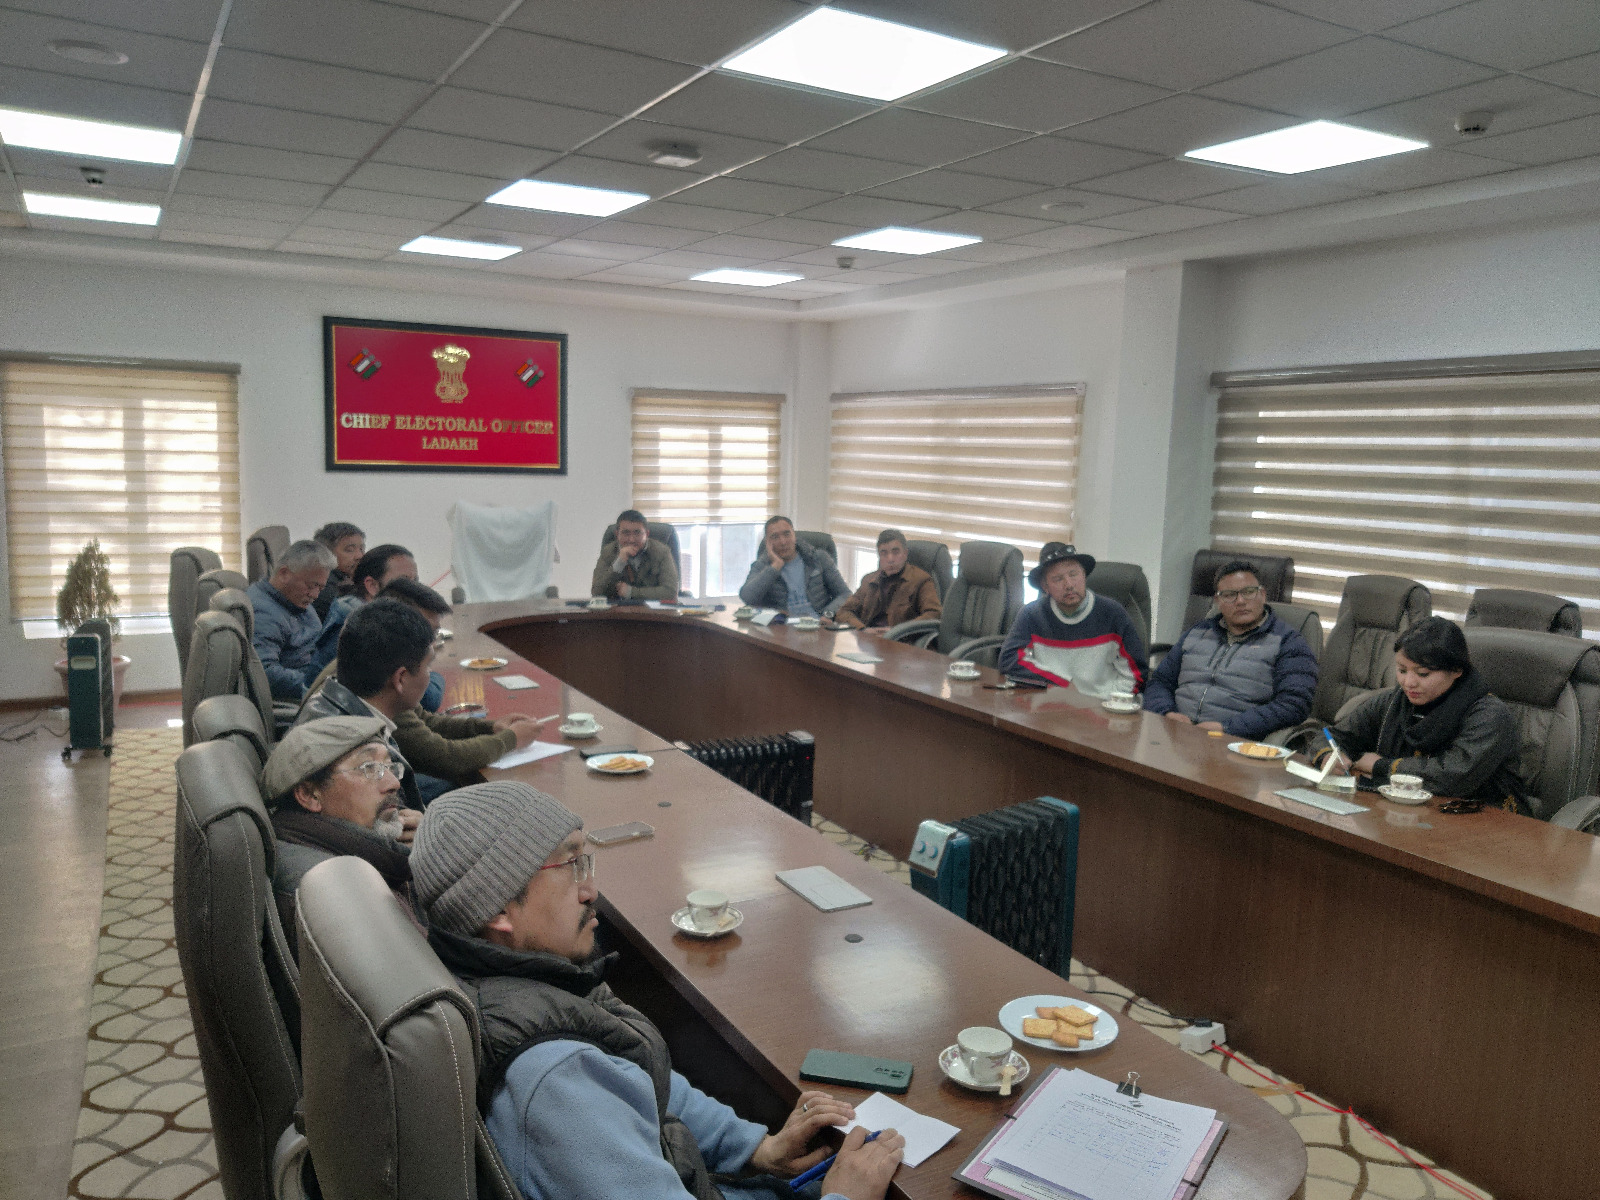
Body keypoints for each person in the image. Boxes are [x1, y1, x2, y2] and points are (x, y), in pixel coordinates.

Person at [409, 782, 906, 1200]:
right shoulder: (555, 1082)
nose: (591, 890)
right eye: (570, 867)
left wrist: (756, 1149)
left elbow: (641, 1076)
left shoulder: (532, 983)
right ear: (496, 907)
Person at [1307, 616, 1527, 811]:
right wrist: (1329, 756)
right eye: (1402, 670)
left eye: (1423, 673)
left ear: (1457, 671)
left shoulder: (1488, 715)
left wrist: (1380, 766)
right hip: (1408, 812)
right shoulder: (1393, 702)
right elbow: (1331, 736)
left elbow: (1453, 775)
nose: (1408, 683)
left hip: (1483, 819)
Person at [259, 714, 422, 956]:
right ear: (310, 794)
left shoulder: (322, 843)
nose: (393, 783)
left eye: (389, 767)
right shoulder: (336, 893)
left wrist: (431, 845)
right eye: (370, 768)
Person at [377, 578, 544, 783]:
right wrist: (511, 739)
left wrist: (491, 728)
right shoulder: (382, 679)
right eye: (430, 632)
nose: (433, 642)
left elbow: (426, 721)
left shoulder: (384, 660)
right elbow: (447, 756)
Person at [297, 598, 450, 807]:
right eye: (427, 667)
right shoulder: (357, 756)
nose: (429, 676)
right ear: (401, 679)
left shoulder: (335, 698)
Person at [1142, 560, 1318, 738]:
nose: (1240, 601)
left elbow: (1294, 704)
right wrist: (1166, 713)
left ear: (1263, 595)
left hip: (1235, 742)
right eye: (1229, 595)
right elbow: (1160, 682)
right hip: (1174, 735)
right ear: (1218, 601)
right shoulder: (1197, 633)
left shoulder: (1288, 642)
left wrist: (1228, 728)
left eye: (1248, 592)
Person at [999, 542, 1146, 697]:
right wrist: (1060, 684)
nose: (1069, 585)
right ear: (1045, 586)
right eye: (1058, 579)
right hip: (1052, 706)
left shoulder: (1113, 613)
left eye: (1074, 574)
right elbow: (1009, 661)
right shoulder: (1031, 614)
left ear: (1084, 575)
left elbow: (1137, 676)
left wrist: (1109, 704)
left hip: (1103, 707)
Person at [248, 539, 334, 701]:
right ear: (284, 573)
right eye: (311, 586)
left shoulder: (293, 598)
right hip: (299, 700)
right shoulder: (262, 613)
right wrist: (321, 684)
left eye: (320, 588)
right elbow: (265, 674)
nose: (315, 595)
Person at [834, 529, 941, 635]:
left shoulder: (921, 580)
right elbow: (844, 612)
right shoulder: (869, 580)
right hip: (870, 641)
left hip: (903, 642)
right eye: (884, 553)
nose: (890, 559)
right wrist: (862, 629)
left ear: (905, 554)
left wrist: (898, 631)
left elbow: (934, 614)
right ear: (879, 557)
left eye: (895, 552)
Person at [739, 517, 850, 618]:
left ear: (794, 536)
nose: (783, 542)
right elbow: (747, 597)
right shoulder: (763, 565)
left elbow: (845, 594)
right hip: (782, 629)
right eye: (775, 537)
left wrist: (828, 614)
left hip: (818, 625)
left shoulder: (818, 558)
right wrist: (775, 567)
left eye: (787, 534)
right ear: (767, 542)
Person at [592, 509, 680, 602]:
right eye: (626, 533)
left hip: (652, 613)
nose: (631, 540)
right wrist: (619, 563)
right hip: (617, 612)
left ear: (647, 534)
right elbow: (597, 592)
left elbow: (671, 592)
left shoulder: (662, 552)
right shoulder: (608, 552)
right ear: (617, 534)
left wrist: (631, 592)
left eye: (637, 533)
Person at [310, 521, 365, 622]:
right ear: (326, 554)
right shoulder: (322, 588)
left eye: (361, 549)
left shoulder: (354, 581)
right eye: (350, 550)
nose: (359, 556)